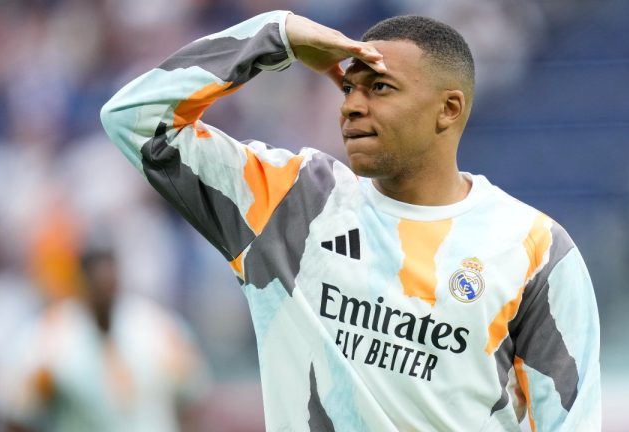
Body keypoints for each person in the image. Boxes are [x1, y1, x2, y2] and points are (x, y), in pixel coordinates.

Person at [101, 10, 601, 431]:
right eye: (348, 89)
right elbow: (133, 117)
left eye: (380, 87)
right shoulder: (290, 203)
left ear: (448, 109)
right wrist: (276, 35)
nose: (353, 107)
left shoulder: (536, 250)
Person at [0, 243, 209, 432]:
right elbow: (17, 410)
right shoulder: (50, 337)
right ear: (82, 286)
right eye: (97, 289)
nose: (105, 298)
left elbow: (192, 396)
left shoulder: (157, 328)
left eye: (109, 288)